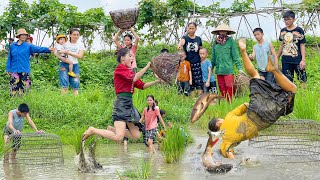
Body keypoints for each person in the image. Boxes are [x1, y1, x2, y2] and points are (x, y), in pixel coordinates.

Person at [207, 38, 296, 159]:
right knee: (255, 76)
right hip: (253, 112)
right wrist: (259, 101)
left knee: (291, 92)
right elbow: (244, 104)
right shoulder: (228, 117)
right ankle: (244, 52)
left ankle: (273, 71)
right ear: (218, 122)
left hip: (265, 122)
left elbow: (229, 154)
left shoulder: (225, 141)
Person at [81, 48, 163, 146]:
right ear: (123, 58)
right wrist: (147, 66)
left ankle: (112, 129)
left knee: (136, 135)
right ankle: (93, 130)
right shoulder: (120, 68)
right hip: (121, 104)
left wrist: (157, 81)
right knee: (118, 137)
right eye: (130, 56)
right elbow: (135, 78)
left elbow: (142, 86)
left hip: (129, 104)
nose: (132, 58)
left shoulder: (130, 72)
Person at [6, 28, 54, 96]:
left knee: (25, 89)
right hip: (14, 70)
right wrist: (8, 68)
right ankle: (14, 103)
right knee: (14, 89)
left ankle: (23, 104)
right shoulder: (13, 46)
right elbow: (9, 57)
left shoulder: (28, 46)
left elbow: (38, 49)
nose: (24, 36)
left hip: (24, 70)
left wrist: (48, 49)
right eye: (22, 35)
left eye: (25, 35)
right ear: (18, 36)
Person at [211, 23, 244, 102]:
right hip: (219, 70)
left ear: (227, 32)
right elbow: (213, 57)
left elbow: (235, 55)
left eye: (224, 31)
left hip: (228, 69)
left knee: (229, 87)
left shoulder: (231, 41)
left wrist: (239, 68)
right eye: (221, 31)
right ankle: (223, 103)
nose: (222, 32)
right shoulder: (215, 42)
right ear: (218, 32)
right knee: (221, 87)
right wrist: (211, 68)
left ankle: (230, 103)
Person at [277, 10, 307, 88]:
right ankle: (290, 98)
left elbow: (302, 45)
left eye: (288, 19)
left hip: (297, 60)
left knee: (302, 80)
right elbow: (282, 45)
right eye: (285, 19)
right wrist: (277, 58)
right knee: (287, 81)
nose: (286, 21)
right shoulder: (283, 31)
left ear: (294, 19)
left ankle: (303, 97)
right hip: (285, 60)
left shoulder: (299, 30)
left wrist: (303, 60)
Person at [56, 28, 85, 95]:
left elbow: (80, 56)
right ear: (70, 35)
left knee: (76, 84)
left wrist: (68, 52)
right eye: (74, 34)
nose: (76, 36)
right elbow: (56, 51)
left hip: (75, 65)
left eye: (77, 35)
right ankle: (63, 101)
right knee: (64, 84)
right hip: (63, 64)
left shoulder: (80, 44)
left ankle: (75, 102)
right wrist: (61, 58)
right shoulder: (64, 43)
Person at [178, 22, 203, 96]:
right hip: (188, 64)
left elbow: (201, 50)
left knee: (198, 82)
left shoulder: (198, 39)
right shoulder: (185, 38)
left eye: (193, 28)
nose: (191, 30)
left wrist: (202, 60)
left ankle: (199, 98)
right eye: (190, 28)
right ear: (187, 28)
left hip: (197, 63)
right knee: (190, 82)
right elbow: (182, 42)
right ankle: (192, 99)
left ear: (196, 29)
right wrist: (180, 45)